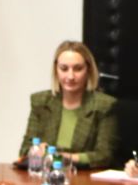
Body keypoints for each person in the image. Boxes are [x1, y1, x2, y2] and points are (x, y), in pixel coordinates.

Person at [16, 40, 120, 169]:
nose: (70, 76)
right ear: (56, 70)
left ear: (88, 70)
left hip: (83, 177)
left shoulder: (104, 105)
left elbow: (104, 156)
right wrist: (37, 151)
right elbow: (24, 151)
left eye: (78, 69)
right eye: (64, 69)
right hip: (46, 176)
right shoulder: (41, 102)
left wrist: (62, 157)